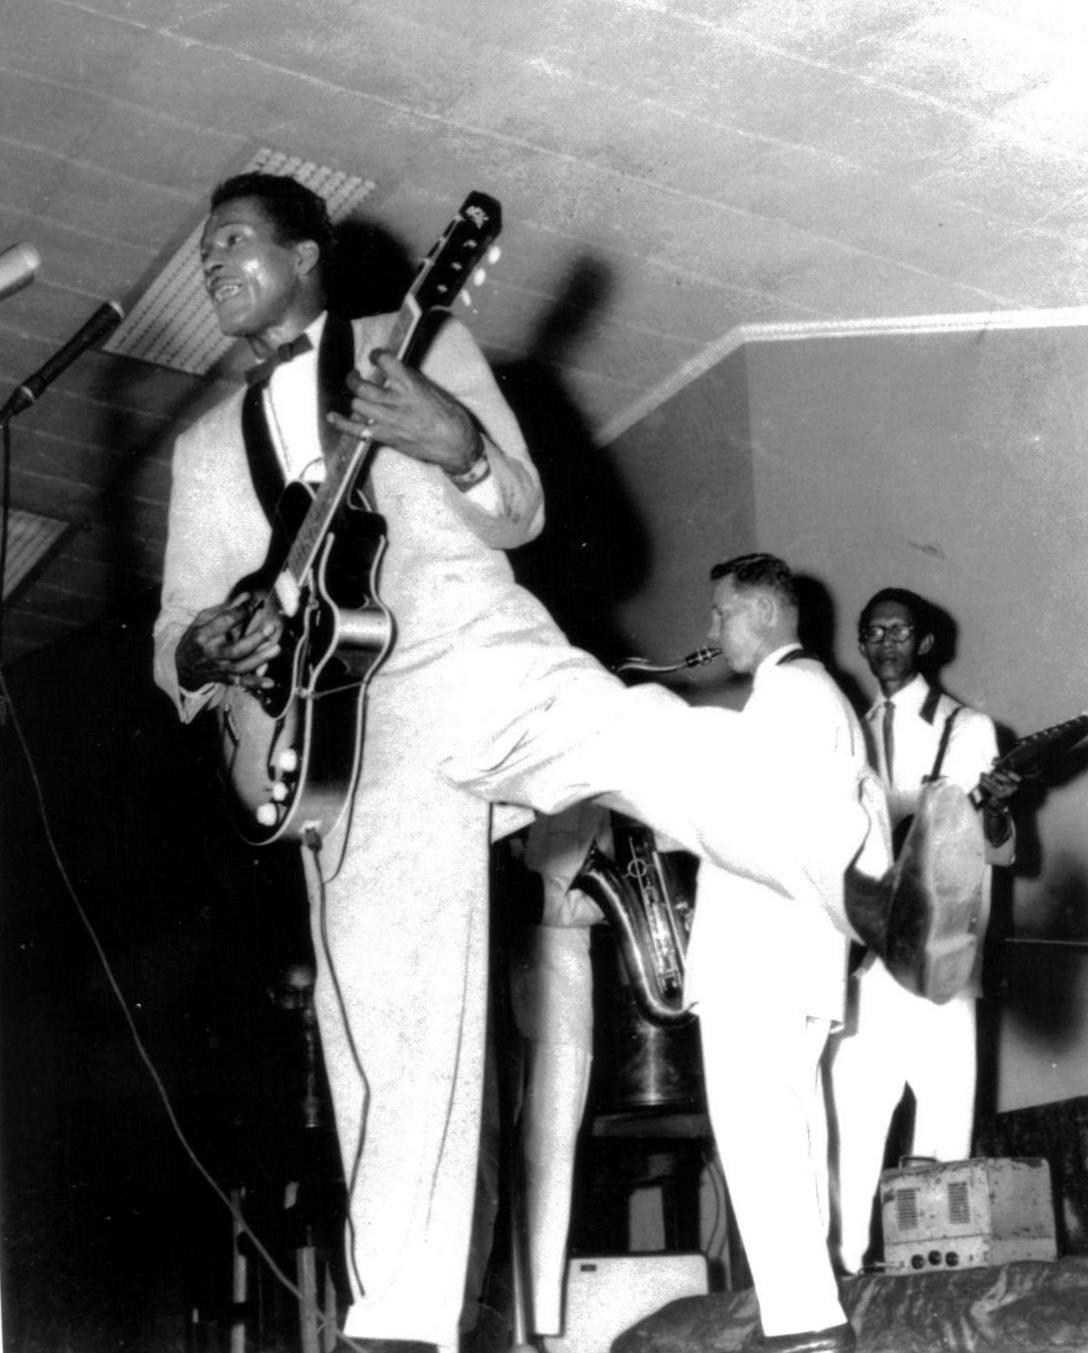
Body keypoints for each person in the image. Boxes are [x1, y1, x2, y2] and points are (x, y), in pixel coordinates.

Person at [152, 173, 960, 1353]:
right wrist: (204, 643)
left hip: (479, 657)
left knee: (650, 738)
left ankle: (871, 892)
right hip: (340, 747)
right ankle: (400, 1327)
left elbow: (519, 509)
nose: (212, 265)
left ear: (309, 253)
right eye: (205, 250)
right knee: (389, 1034)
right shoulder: (201, 451)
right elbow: (181, 641)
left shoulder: (415, 342)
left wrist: (455, 441)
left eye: (234, 241)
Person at [680, 554, 890, 1353]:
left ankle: (802, 1326)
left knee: (760, 1134)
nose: (711, 629)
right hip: (798, 955)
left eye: (722, 612)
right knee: (792, 1132)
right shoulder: (825, 698)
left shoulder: (788, 695)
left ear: (764, 613)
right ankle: (809, 1318)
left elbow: (753, 824)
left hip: (757, 952)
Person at [828, 588, 1018, 1276]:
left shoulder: (966, 727)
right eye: (872, 632)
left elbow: (984, 842)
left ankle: (943, 1275)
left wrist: (992, 812)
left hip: (939, 954)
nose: (885, 644)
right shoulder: (845, 727)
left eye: (899, 632)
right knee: (851, 1108)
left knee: (943, 1117)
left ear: (925, 642)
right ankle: (845, 1269)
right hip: (866, 958)